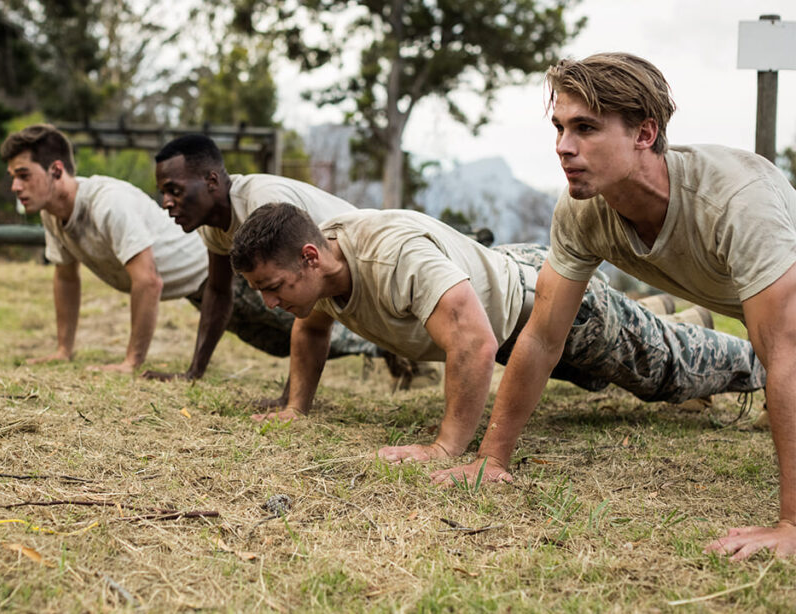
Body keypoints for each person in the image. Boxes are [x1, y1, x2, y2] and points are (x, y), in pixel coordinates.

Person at [442, 52, 796, 561]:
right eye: (560, 128)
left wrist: (790, 523)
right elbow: (542, 337)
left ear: (644, 134)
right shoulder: (582, 211)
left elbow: (783, 351)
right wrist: (490, 459)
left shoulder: (738, 199)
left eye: (585, 128)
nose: (564, 147)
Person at [228, 203, 765, 458]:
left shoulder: (393, 258)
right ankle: (668, 315)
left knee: (665, 371)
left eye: (272, 286)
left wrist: (445, 448)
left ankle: (769, 364)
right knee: (605, 376)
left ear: (310, 256)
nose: (269, 302)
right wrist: (296, 408)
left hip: (549, 305)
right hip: (502, 293)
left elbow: (473, 342)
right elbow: (312, 331)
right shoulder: (322, 269)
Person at [146, 134, 381, 390]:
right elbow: (218, 290)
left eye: (174, 190)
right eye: (163, 193)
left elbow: (307, 278)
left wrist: (292, 402)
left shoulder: (263, 203)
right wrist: (193, 372)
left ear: (211, 180)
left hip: (371, 271)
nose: (166, 203)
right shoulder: (212, 226)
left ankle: (385, 352)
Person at [0, 124, 207, 372]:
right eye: (13, 177)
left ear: (56, 170)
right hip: (193, 288)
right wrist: (63, 351)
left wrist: (131, 363)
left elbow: (149, 282)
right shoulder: (51, 212)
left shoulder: (108, 203)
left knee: (267, 337)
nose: (15, 186)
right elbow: (66, 277)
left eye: (23, 175)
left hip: (217, 273)